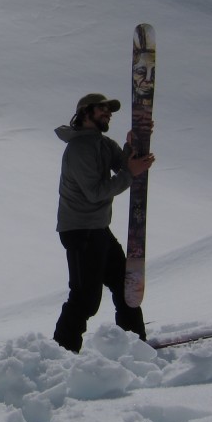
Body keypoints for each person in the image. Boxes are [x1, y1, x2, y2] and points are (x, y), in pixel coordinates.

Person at [52, 93, 155, 353]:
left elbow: (124, 164)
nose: (108, 113)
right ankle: (63, 352)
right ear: (85, 113)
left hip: (97, 229)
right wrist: (130, 172)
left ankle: (135, 345)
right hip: (80, 230)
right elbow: (96, 192)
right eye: (103, 109)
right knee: (85, 299)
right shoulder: (79, 149)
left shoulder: (101, 143)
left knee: (126, 288)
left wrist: (134, 144)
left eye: (110, 110)